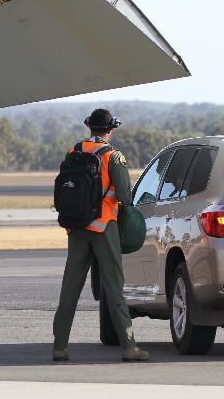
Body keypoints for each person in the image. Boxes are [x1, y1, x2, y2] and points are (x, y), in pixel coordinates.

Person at [52, 108, 149, 362]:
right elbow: (126, 197)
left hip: (76, 228)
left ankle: (59, 347)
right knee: (114, 288)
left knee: (70, 289)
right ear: (110, 129)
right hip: (103, 227)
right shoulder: (112, 156)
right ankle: (129, 347)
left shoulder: (74, 151)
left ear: (90, 127)